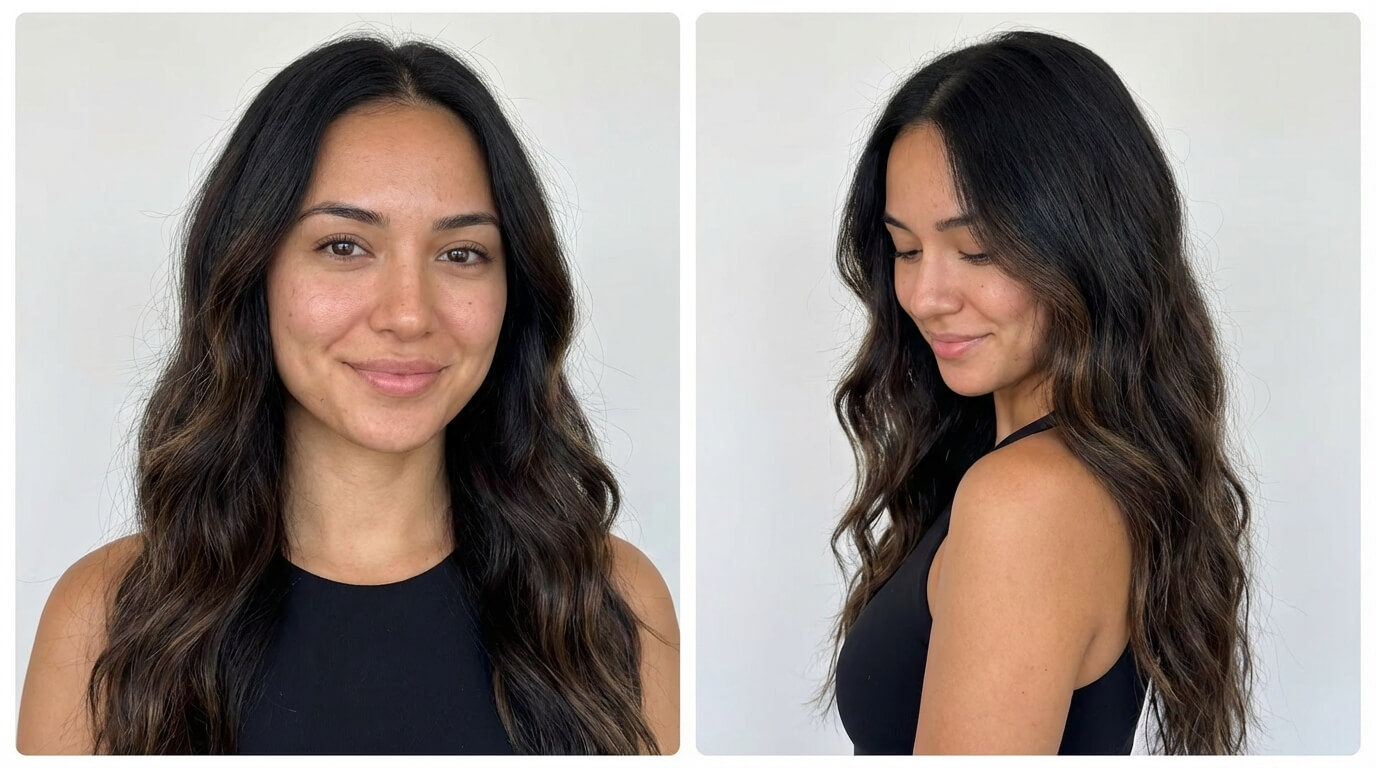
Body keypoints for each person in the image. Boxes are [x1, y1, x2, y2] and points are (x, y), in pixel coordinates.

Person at [16, 35, 678, 755]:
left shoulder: (611, 605)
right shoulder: (106, 619)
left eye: (461, 254)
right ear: (251, 271)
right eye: (344, 246)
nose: (408, 314)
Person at [823, 30, 1253, 755]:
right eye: (906, 249)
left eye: (977, 250)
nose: (924, 296)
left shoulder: (1025, 499)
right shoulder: (1045, 472)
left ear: (1088, 246)